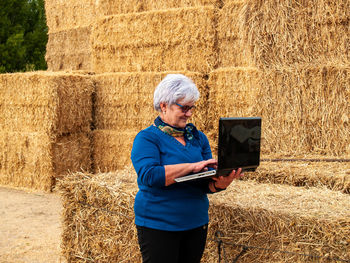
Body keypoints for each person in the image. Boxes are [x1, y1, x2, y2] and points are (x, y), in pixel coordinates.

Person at [131, 74, 244, 263]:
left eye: (191, 107)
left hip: (195, 222)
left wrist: (221, 183)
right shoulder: (147, 138)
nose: (189, 113)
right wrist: (192, 166)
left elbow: (204, 184)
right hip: (159, 225)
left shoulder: (198, 137)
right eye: (184, 108)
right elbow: (150, 175)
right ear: (164, 105)